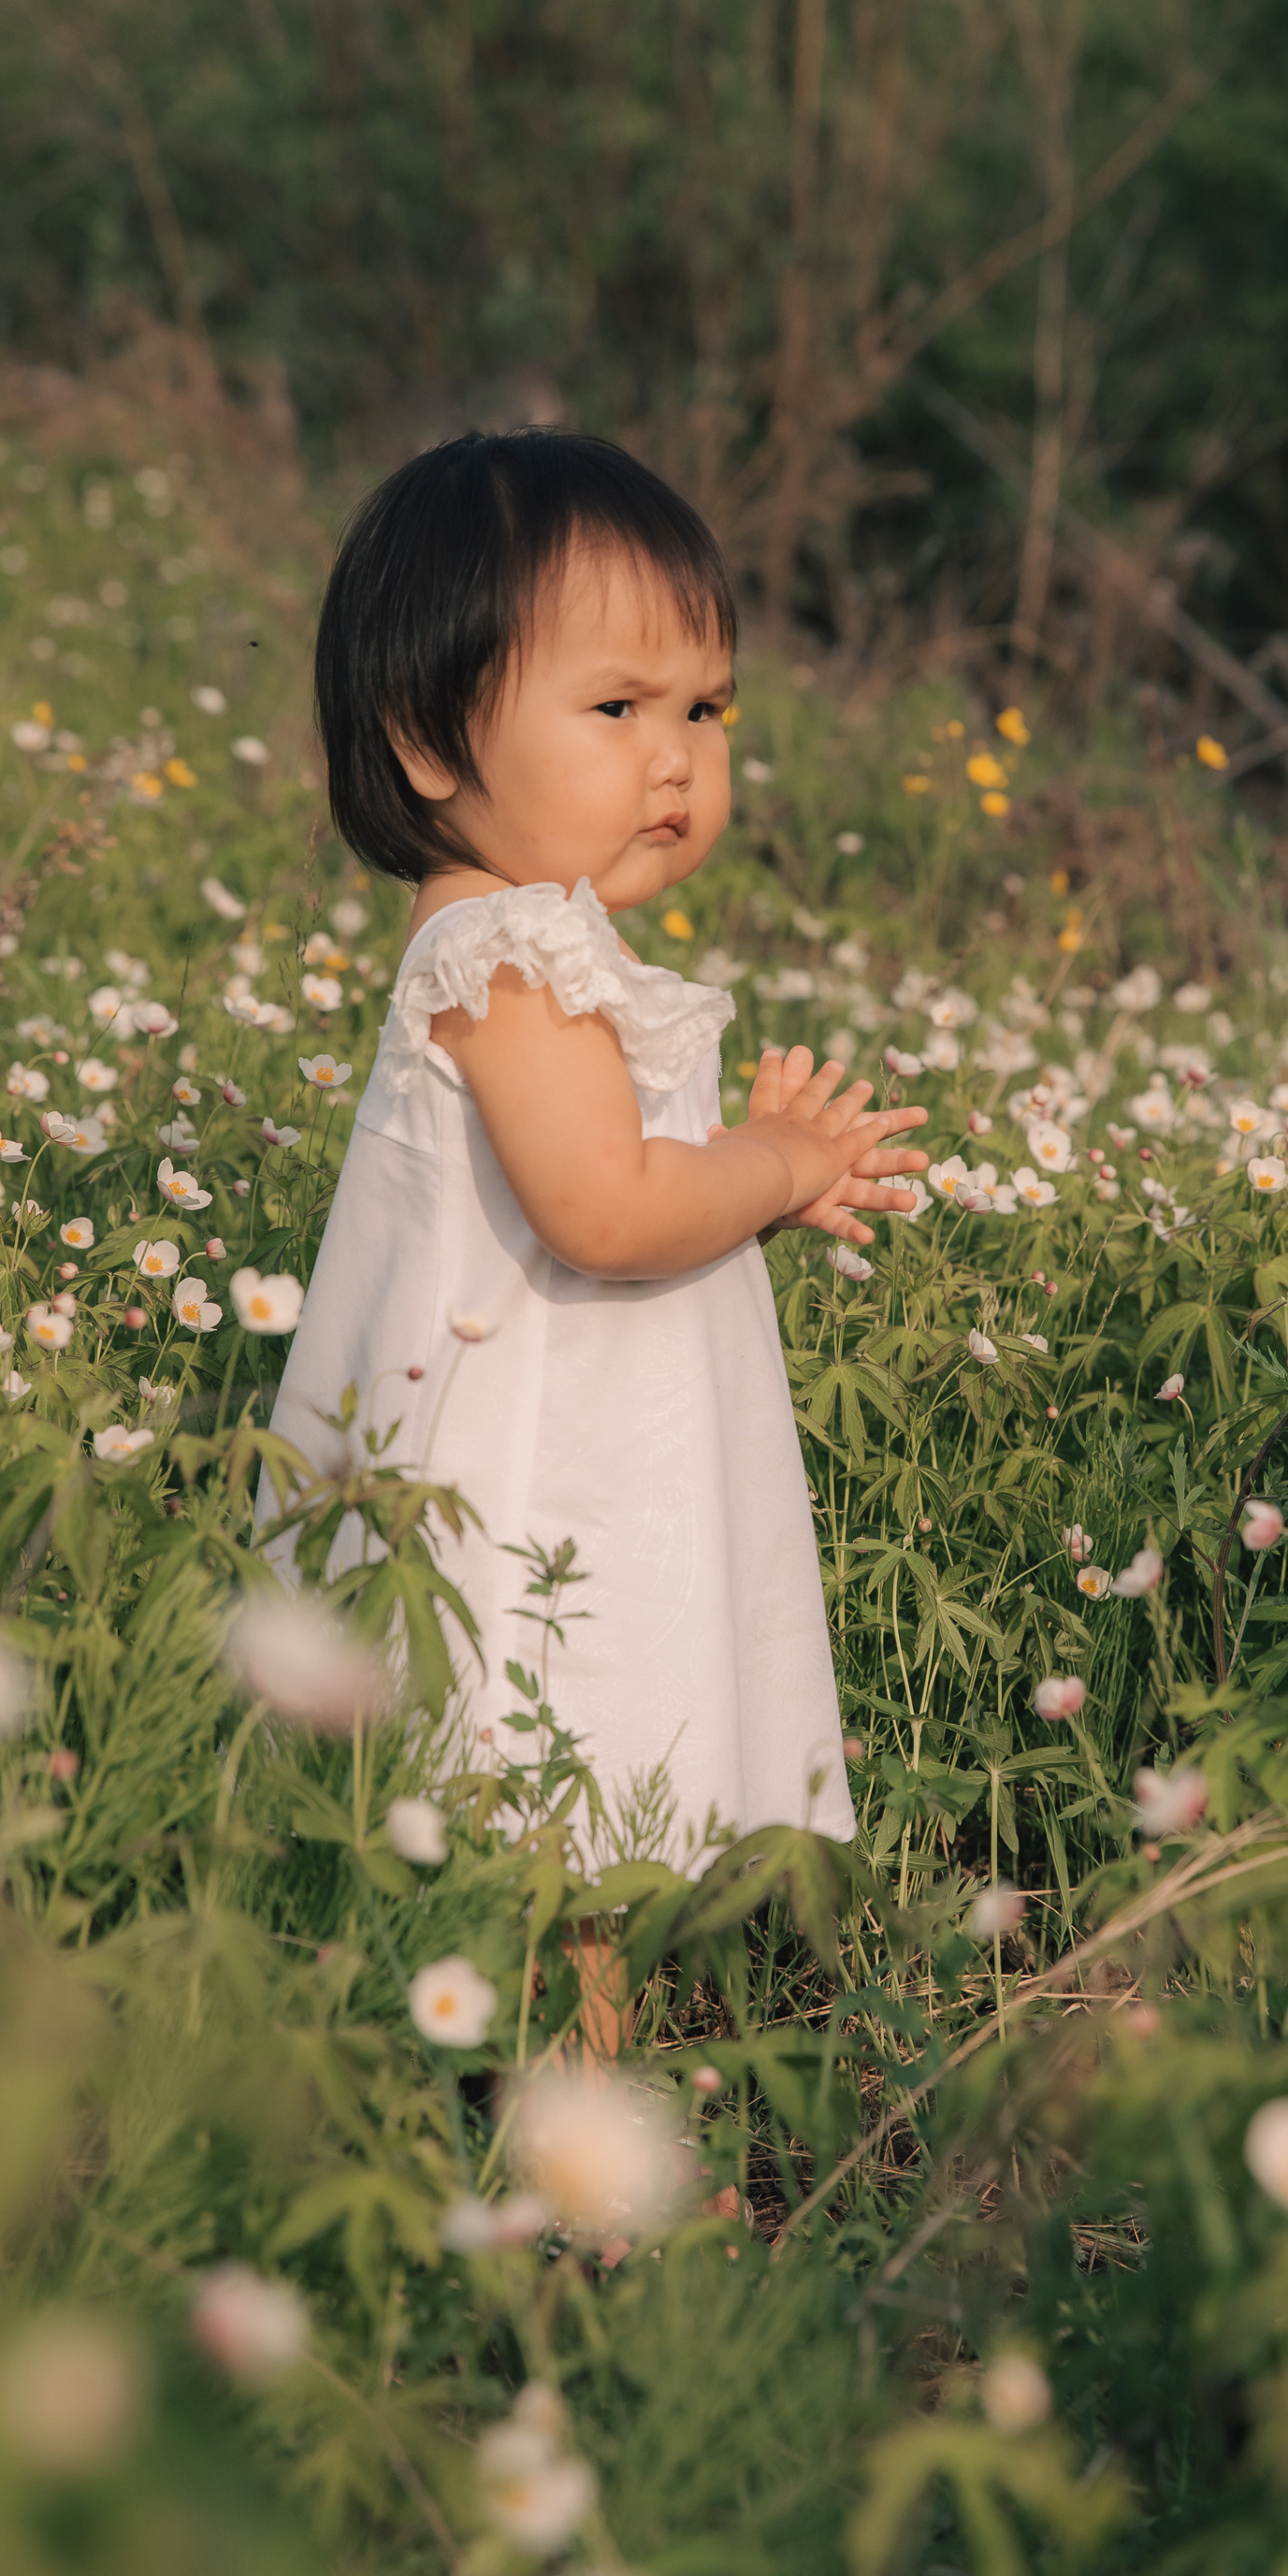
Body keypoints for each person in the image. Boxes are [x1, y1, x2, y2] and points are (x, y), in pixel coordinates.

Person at [267, 427, 927, 1887]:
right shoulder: (507, 963)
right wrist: (770, 1159)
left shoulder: (543, 947)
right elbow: (607, 1214)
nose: (676, 757)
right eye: (617, 705)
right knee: (546, 1780)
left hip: (579, 1438)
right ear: (427, 737)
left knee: (560, 1802)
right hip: (531, 1490)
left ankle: (548, 2055)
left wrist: (760, 1186)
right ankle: (557, 2070)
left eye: (705, 707)